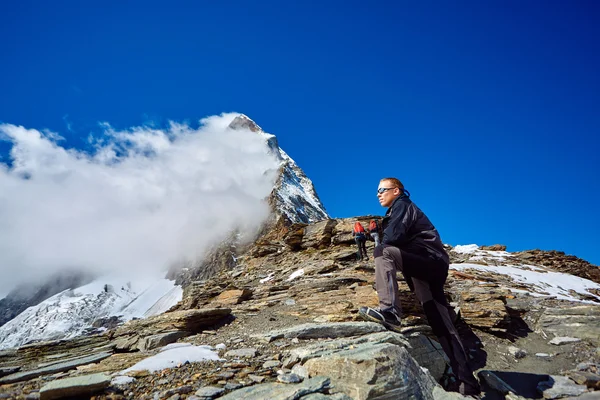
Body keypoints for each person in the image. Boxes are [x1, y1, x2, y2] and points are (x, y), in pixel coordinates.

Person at [358, 177, 480, 396]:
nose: (378, 194)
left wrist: (377, 238)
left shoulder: (402, 206)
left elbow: (393, 238)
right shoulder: (399, 208)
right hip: (428, 265)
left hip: (428, 260)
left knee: (382, 252)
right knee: (438, 319)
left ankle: (390, 312)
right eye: (377, 191)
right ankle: (466, 383)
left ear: (396, 191)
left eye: (382, 190)